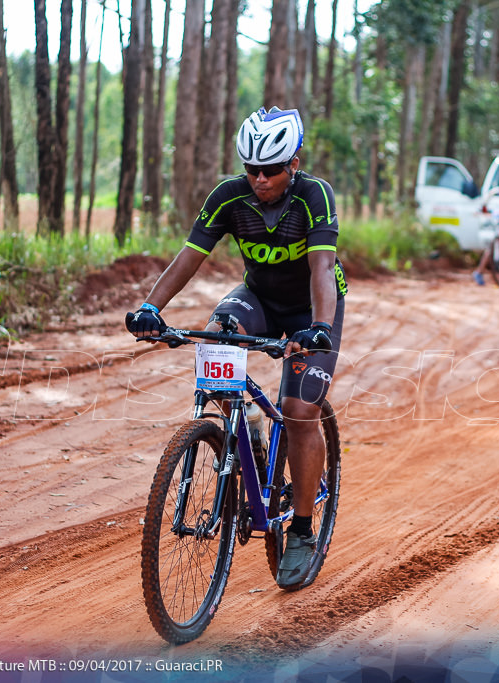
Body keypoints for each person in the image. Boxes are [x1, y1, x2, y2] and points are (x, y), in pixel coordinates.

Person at [125, 106, 347, 589]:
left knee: (297, 409)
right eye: (252, 169)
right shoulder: (229, 196)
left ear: (294, 161)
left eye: (271, 169)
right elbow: (190, 256)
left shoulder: (314, 196)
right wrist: (151, 308)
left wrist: (320, 327)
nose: (261, 179)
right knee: (219, 332)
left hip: (312, 309)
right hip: (259, 299)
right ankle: (242, 426)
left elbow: (321, 270)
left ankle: (304, 531)